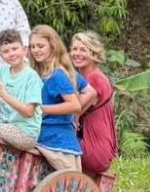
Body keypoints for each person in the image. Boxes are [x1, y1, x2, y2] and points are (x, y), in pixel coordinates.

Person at [27, 23, 84, 172]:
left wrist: (41, 109)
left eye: (40, 46)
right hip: (42, 134)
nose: (35, 50)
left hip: (57, 139)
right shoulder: (39, 74)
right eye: (32, 46)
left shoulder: (57, 75)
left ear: (52, 46)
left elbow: (75, 105)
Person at [0, 28, 44, 148]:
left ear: (24, 49)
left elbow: (28, 112)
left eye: (15, 49)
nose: (11, 54)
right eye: (6, 51)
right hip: (7, 127)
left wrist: (3, 94)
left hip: (25, 133)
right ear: (1, 55)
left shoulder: (32, 77)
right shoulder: (1, 72)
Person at [70, 31, 119, 178]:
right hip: (99, 148)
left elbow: (71, 111)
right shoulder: (86, 77)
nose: (77, 53)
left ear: (94, 54)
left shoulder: (95, 79)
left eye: (83, 50)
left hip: (95, 150)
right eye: (74, 49)